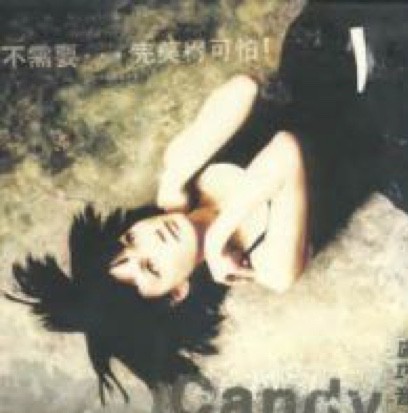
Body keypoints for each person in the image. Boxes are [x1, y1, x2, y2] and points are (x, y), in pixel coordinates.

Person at [109, 74, 309, 303]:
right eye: (151, 267)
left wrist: (173, 178)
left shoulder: (182, 170)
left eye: (131, 238)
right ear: (178, 291)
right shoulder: (272, 270)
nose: (154, 238)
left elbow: (245, 87)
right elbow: (286, 150)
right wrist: (215, 239)